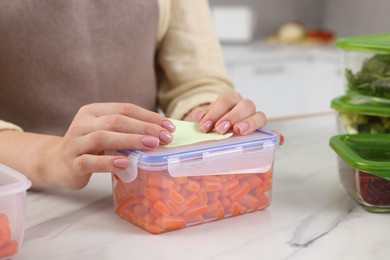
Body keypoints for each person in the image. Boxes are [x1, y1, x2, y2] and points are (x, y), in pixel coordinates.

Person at [0, 0, 267, 190]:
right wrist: (52, 157)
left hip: (145, 185)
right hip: (21, 193)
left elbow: (195, 80)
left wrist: (206, 116)